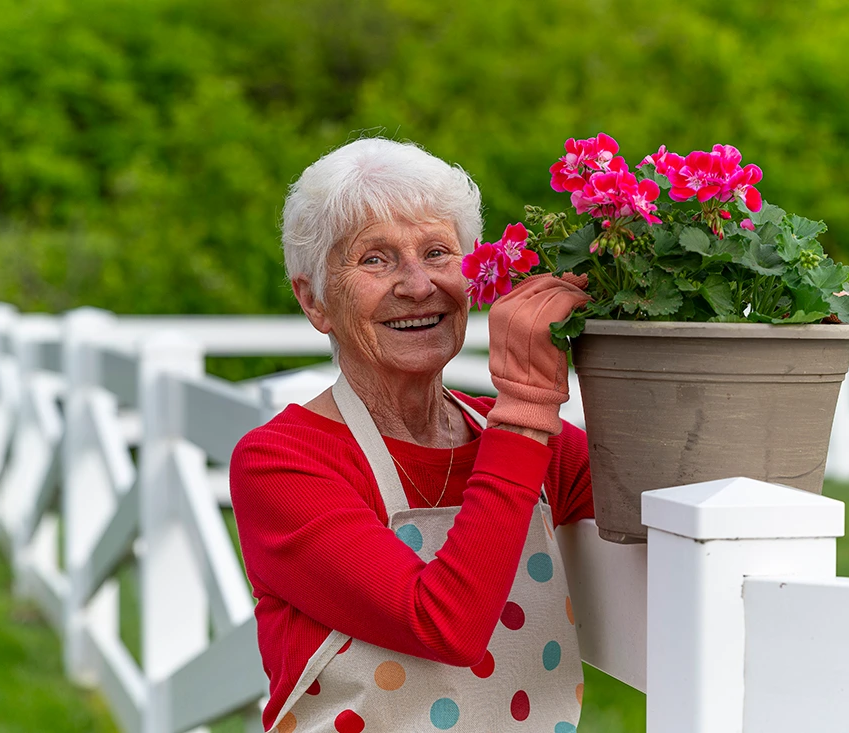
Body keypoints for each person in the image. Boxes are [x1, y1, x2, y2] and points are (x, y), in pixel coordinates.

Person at [229, 137, 594, 733]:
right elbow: (444, 625)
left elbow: (673, 496)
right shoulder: (281, 462)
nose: (418, 284)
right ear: (313, 301)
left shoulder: (523, 444)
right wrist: (527, 404)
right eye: (375, 259)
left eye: (438, 252)